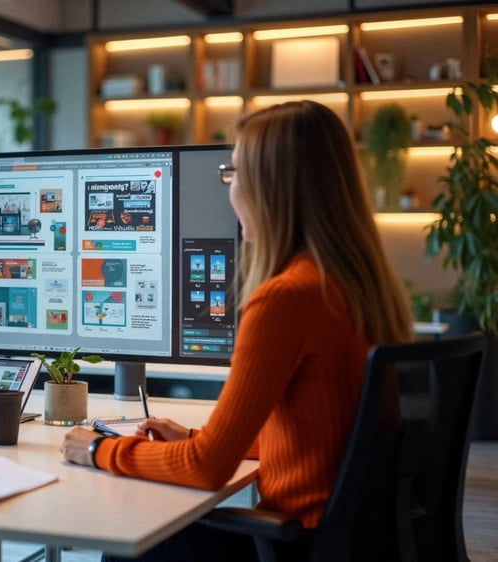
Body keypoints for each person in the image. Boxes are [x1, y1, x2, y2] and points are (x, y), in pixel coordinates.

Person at [60, 101, 414, 561]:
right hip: (345, 540)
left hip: (294, 541)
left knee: (129, 541)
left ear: (271, 188)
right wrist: (193, 439)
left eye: (234, 173)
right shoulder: (352, 288)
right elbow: (311, 431)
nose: (230, 190)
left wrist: (97, 450)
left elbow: (207, 469)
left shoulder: (285, 298)